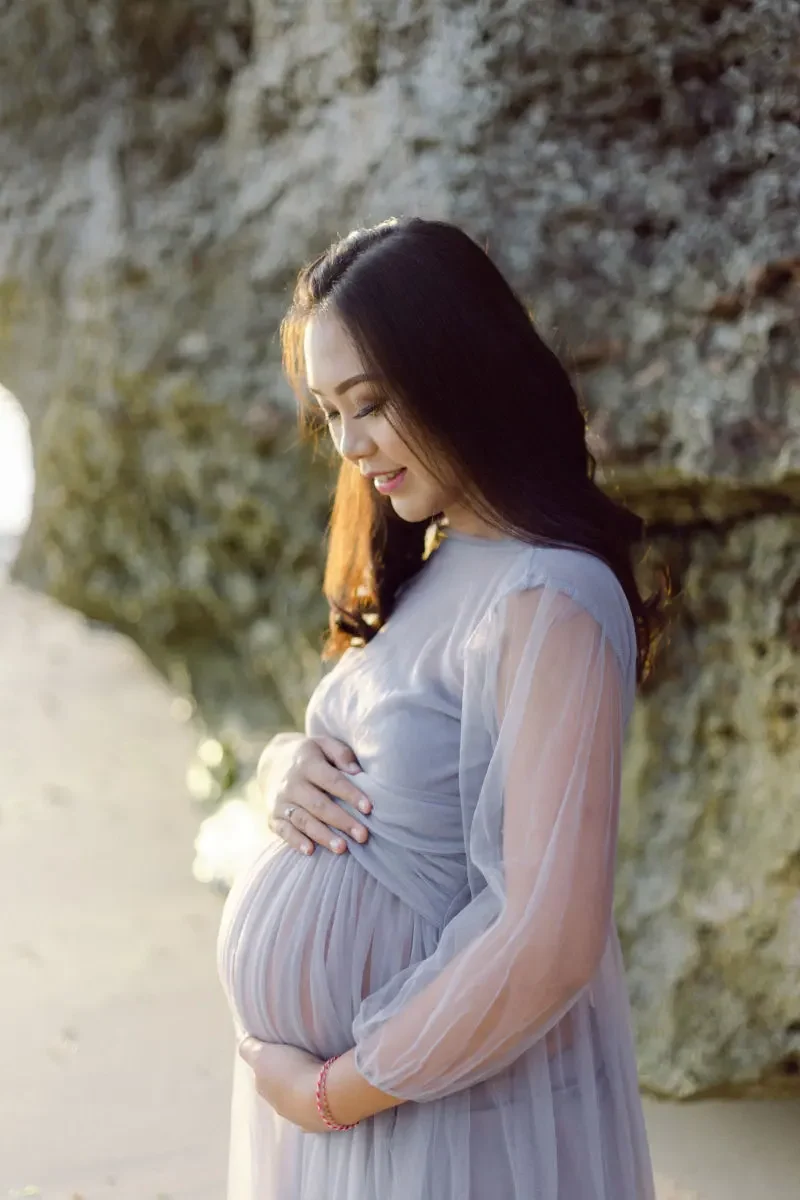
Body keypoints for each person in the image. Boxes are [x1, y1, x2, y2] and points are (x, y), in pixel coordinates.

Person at [216, 216, 667, 1199]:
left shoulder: (548, 594)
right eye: (329, 412)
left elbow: (546, 935)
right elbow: (397, 771)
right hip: (381, 1126)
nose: (349, 444)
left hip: (449, 1134)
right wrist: (285, 765)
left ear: (457, 369)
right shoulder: (437, 565)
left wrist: (339, 1089)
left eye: (368, 403)